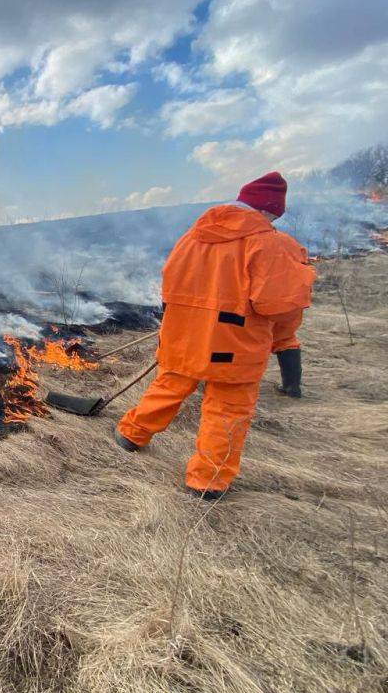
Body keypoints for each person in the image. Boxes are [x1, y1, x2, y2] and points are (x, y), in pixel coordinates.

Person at [113, 172, 315, 499]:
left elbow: (169, 282)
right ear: (268, 211)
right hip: (235, 346)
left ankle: (131, 435)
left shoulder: (192, 236)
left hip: (182, 337)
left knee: (168, 387)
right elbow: (279, 306)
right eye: (274, 216)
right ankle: (207, 482)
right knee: (227, 411)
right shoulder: (272, 245)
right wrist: (284, 337)